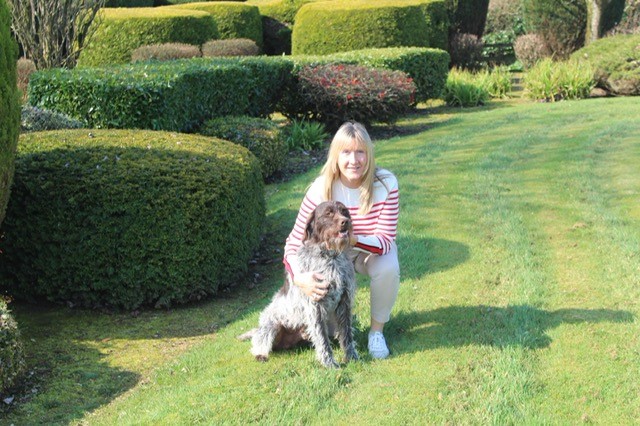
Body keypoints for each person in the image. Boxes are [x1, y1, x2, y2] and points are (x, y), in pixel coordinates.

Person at [283, 121, 400, 359]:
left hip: (366, 252)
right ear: (336, 156)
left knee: (388, 265)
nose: (353, 160)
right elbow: (293, 243)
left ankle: (376, 333)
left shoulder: (386, 184)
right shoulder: (320, 189)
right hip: (329, 257)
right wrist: (299, 278)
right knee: (332, 323)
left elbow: (386, 241)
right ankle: (329, 327)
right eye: (346, 152)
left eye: (360, 152)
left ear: (369, 154)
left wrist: (352, 240)